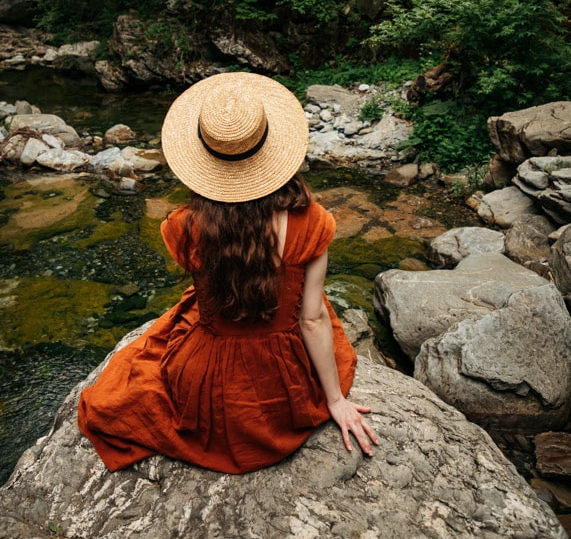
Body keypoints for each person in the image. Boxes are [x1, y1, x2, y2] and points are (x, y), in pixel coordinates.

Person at [77, 72, 378, 474]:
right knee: (314, 301)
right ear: (272, 151)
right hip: (282, 386)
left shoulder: (182, 226)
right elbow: (311, 320)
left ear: (204, 161)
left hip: (207, 386)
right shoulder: (314, 222)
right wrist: (335, 399)